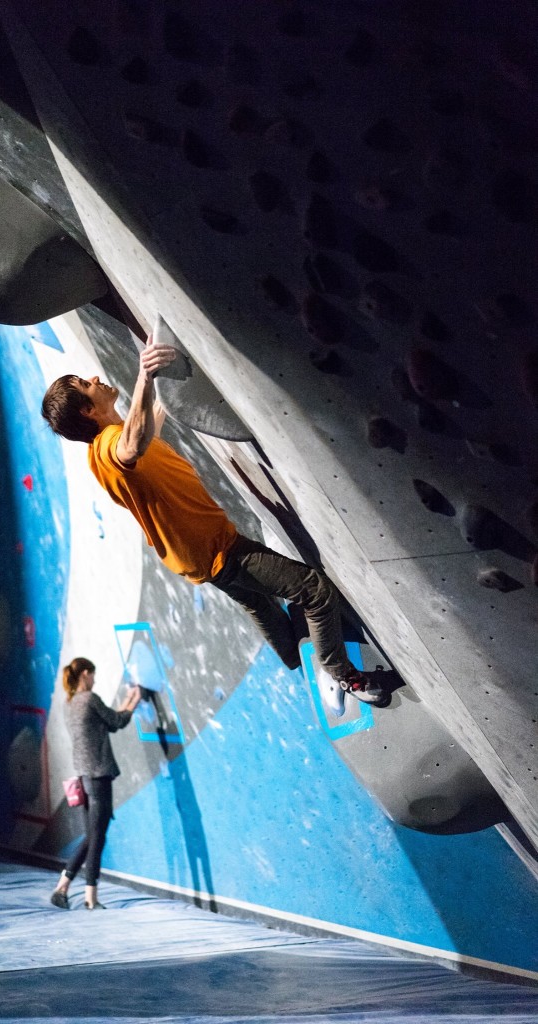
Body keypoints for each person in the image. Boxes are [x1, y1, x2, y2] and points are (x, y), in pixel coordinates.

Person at [41, 340, 387, 706]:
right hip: (221, 552)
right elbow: (133, 446)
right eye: (85, 383)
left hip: (196, 559)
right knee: (315, 592)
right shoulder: (113, 444)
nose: (94, 378)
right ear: (88, 409)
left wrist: (166, 392)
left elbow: (145, 438)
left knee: (258, 604)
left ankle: (294, 658)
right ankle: (342, 675)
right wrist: (144, 374)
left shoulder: (100, 454)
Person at [50, 657, 141, 910]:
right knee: (96, 837)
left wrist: (127, 703)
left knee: (92, 836)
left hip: (84, 777)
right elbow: (118, 722)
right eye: (93, 675)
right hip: (99, 775)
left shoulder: (72, 704)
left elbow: (109, 722)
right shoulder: (90, 699)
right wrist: (136, 699)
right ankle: (88, 898)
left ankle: (64, 887)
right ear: (85, 675)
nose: (95, 680)